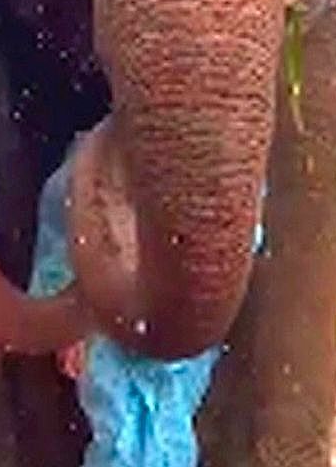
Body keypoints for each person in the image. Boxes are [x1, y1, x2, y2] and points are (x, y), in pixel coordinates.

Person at [28, 133, 264, 467]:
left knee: (172, 423)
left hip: (184, 320)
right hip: (109, 321)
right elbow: (63, 237)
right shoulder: (97, 155)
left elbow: (241, 232)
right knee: (117, 429)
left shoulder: (219, 155)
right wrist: (67, 321)